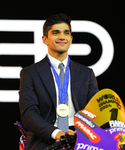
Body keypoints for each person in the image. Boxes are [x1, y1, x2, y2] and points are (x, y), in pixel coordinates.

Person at [19, 13, 99, 150]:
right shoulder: (30, 73)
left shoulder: (86, 73)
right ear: (45, 39)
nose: (62, 37)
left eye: (66, 33)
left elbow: (95, 111)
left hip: (81, 137)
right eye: (56, 33)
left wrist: (80, 133)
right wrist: (57, 133)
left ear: (71, 38)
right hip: (46, 139)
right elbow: (28, 114)